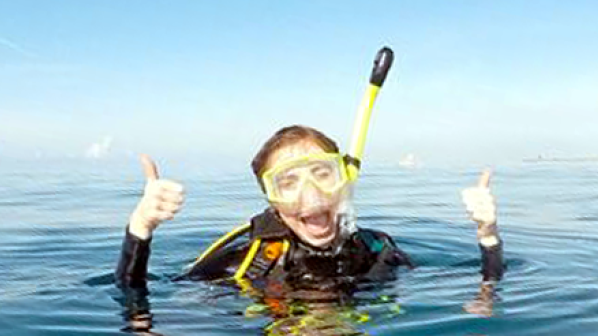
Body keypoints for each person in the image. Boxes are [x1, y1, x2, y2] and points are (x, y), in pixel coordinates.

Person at [115, 124, 503, 292]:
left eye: (322, 173)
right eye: (288, 181)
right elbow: (135, 299)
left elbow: (484, 290)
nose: (310, 193)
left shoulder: (376, 249)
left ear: (344, 180)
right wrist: (141, 228)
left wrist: (487, 239)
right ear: (270, 199)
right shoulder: (249, 258)